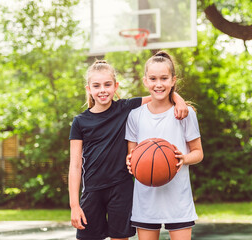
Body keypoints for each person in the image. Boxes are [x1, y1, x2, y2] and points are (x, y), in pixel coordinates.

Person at [68, 59, 189, 240]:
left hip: (121, 188)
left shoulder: (125, 108)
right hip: (92, 190)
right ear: (88, 89)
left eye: (108, 84)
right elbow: (75, 165)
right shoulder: (80, 121)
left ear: (115, 86)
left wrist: (179, 100)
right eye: (96, 85)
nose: (102, 90)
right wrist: (74, 205)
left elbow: (158, 96)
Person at [125, 51, 204, 240]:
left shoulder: (185, 113)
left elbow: (198, 153)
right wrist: (131, 162)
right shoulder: (135, 115)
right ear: (145, 81)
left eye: (164, 78)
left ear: (173, 80)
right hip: (146, 198)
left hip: (178, 197)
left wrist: (183, 158)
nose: (158, 84)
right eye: (153, 78)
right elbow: (132, 156)